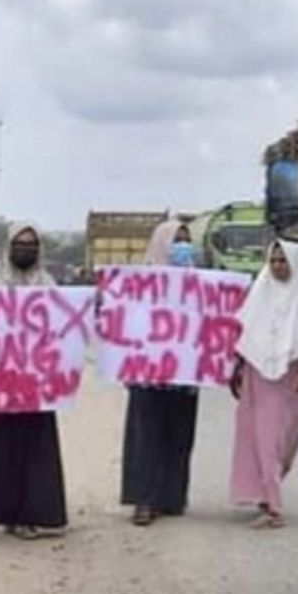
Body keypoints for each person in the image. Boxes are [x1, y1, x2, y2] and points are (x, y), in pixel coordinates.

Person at [0, 225, 68, 543]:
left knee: (30, 451)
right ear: (8, 246)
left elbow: (62, 332)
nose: (25, 249)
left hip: (34, 384)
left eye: (31, 244)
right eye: (19, 243)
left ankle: (24, 517)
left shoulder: (49, 286)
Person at [229, 241, 298, 528]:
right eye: (274, 261)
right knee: (259, 438)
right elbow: (246, 331)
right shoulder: (260, 291)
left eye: (284, 261)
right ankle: (272, 506)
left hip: (293, 381)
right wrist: (239, 367)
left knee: (283, 442)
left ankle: (270, 495)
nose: (279, 266)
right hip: (258, 377)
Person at [120, 218, 200, 526]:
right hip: (148, 375)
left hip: (184, 377)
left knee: (179, 437)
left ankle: (170, 497)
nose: (182, 247)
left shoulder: (199, 283)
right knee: (147, 438)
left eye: (185, 240)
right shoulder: (142, 282)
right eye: (175, 240)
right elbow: (126, 323)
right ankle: (144, 499)